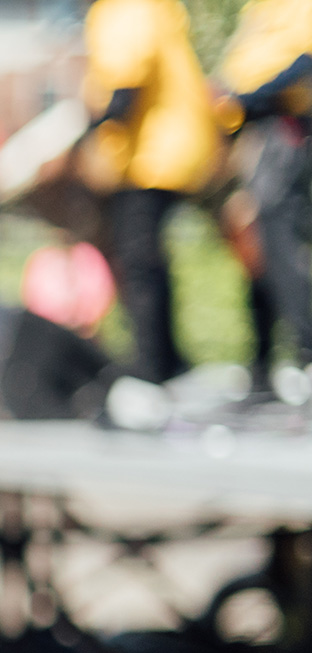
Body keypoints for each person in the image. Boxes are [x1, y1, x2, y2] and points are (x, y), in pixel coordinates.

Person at [82, 0, 224, 383]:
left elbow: (125, 84)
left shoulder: (124, 8)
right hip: (173, 147)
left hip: (151, 153)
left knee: (138, 262)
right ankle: (166, 359)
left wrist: (91, 133)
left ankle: (151, 366)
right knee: (149, 259)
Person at [218, 0, 312, 389]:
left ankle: (306, 352)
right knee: (259, 250)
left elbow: (305, 59)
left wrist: (249, 99)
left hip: (285, 130)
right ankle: (265, 362)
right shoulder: (261, 8)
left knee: (281, 249)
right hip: (261, 133)